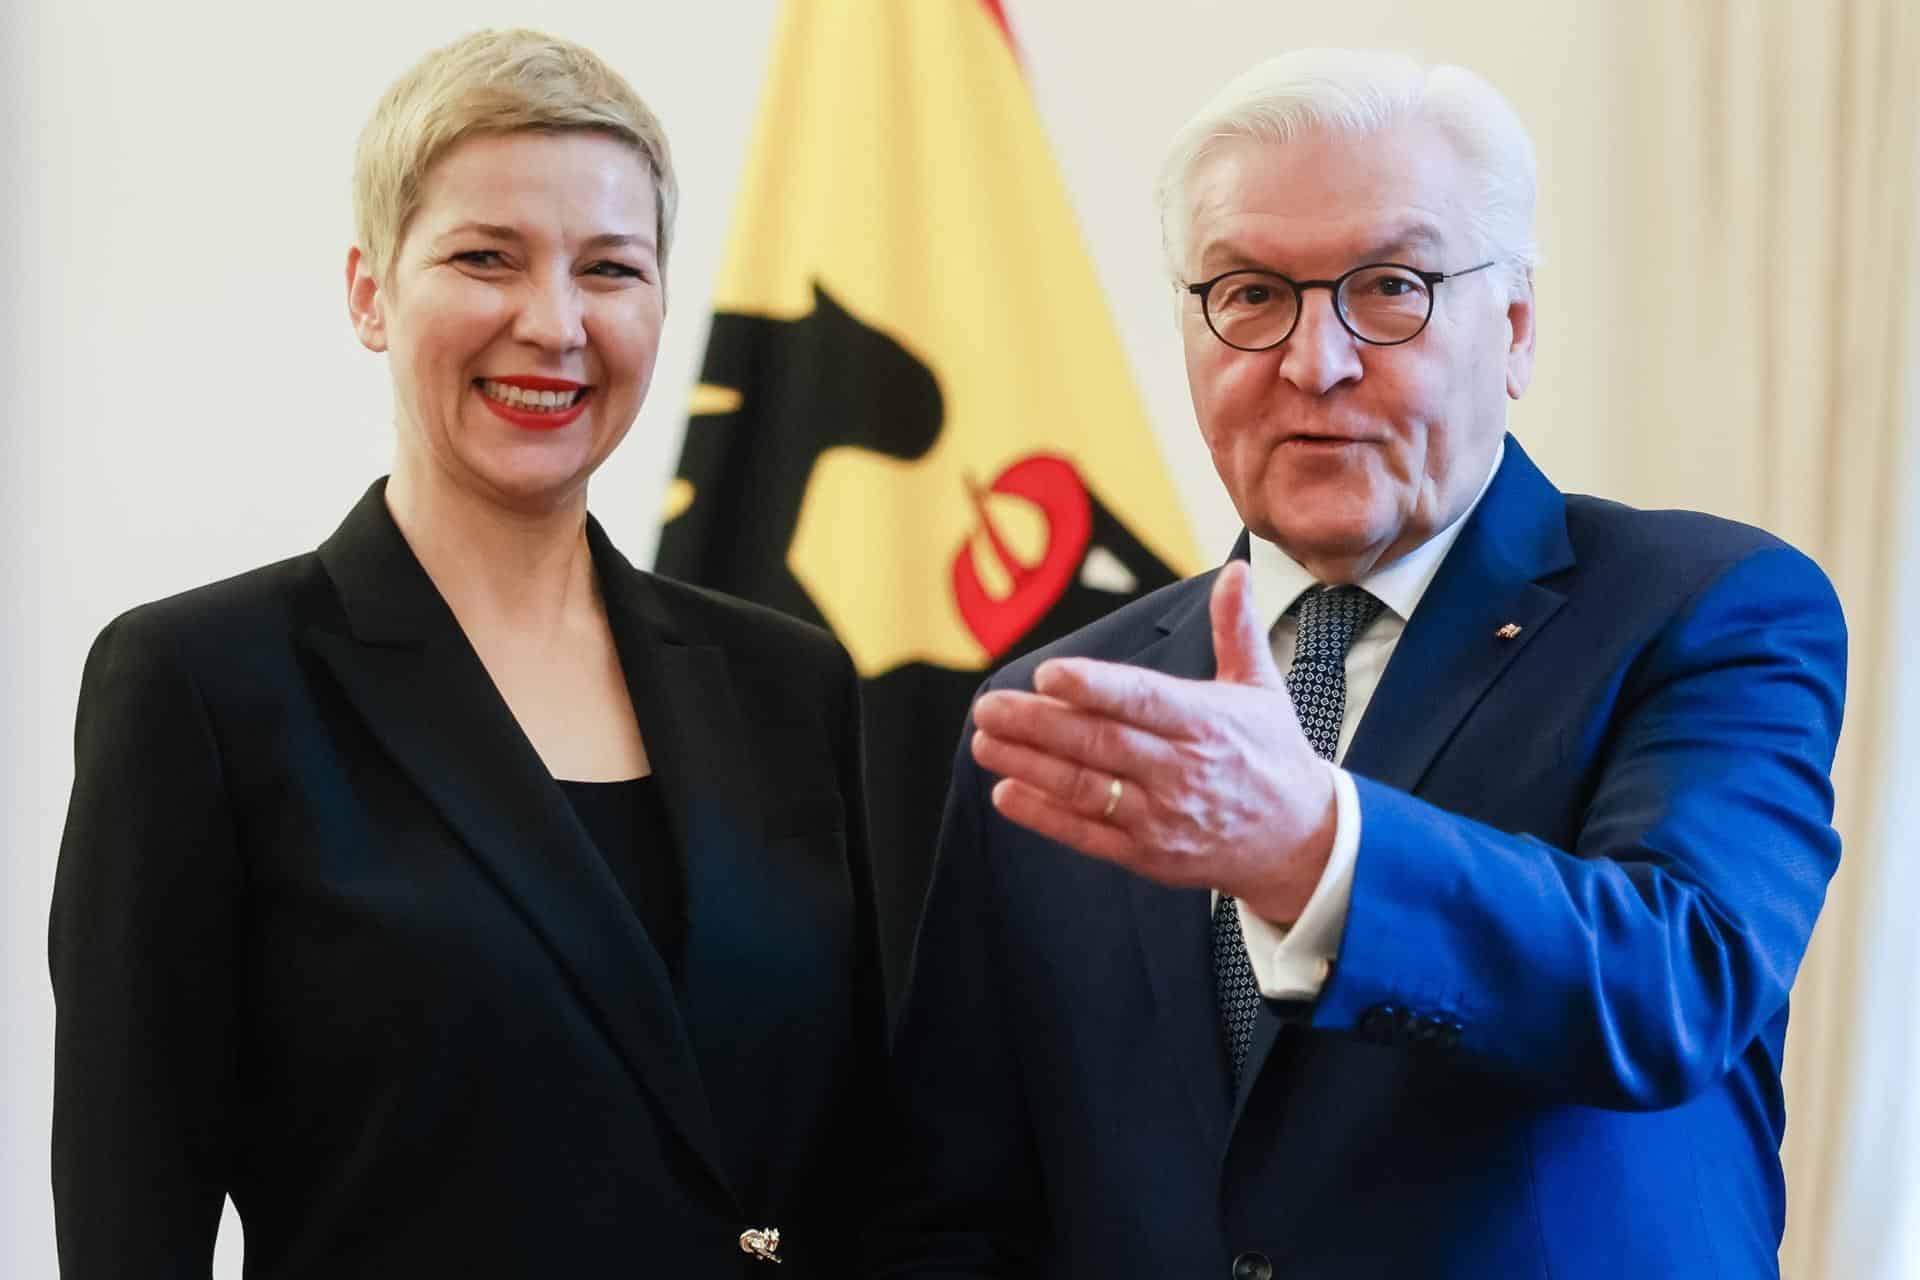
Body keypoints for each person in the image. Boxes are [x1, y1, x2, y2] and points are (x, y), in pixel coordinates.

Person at [871, 48, 1845, 1280]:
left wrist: (1313, 849)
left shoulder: (1704, 606)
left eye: (1390, 286)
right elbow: (958, 1197)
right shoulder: (1063, 705)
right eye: (1250, 292)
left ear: (1518, 328)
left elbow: (1675, 981)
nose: (1313, 360)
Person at [49, 29, 883, 1277]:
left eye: (610, 268)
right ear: (371, 290)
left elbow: (867, 1167)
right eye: (486, 257)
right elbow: (132, 1219)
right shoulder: (198, 685)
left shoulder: (789, 683)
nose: (553, 323)